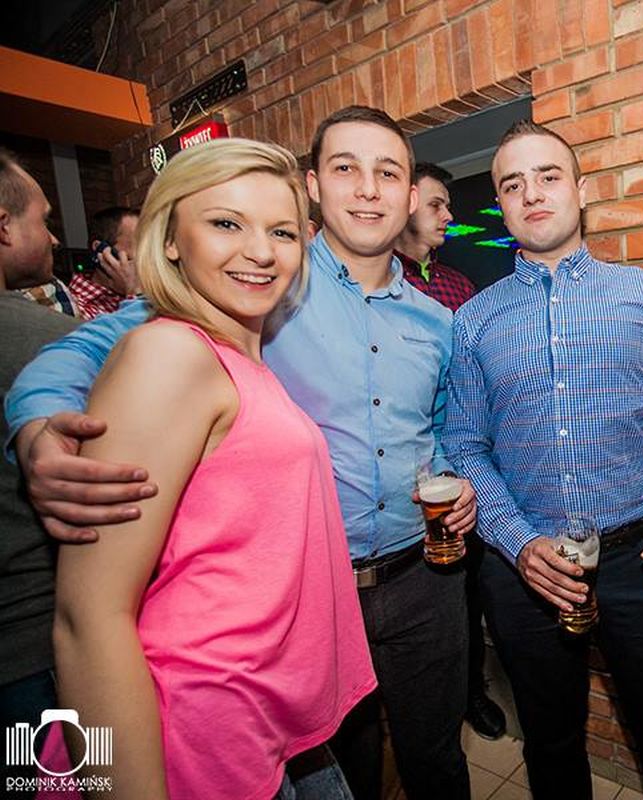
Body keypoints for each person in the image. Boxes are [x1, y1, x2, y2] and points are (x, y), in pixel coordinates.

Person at [5, 106, 477, 800]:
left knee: (434, 756)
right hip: (281, 621)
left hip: (418, 579)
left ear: (410, 196)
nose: (367, 189)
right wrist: (38, 423)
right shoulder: (260, 288)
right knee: (350, 760)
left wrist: (456, 480)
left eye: (387, 173)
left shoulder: (434, 320)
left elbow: (437, 432)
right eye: (345, 168)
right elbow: (87, 350)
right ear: (314, 185)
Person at [49, 137, 375, 798]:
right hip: (196, 730)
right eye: (227, 223)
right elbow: (88, 617)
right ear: (170, 240)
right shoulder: (168, 355)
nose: (261, 251)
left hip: (264, 722)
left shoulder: (235, 356)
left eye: (281, 231)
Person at [444, 120, 643, 800]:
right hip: (524, 564)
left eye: (548, 176)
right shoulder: (474, 320)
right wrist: (517, 542)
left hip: (639, 560)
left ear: (580, 189)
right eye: (513, 184)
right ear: (501, 205)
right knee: (551, 742)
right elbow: (464, 445)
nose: (532, 194)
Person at [395, 160, 506, 741]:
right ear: (409, 204)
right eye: (437, 204)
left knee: (466, 591)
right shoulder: (382, 283)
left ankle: (471, 691)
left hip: (461, 468)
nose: (447, 215)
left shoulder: (459, 287)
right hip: (402, 479)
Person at [0, 148, 79, 789]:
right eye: (42, 220)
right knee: (69, 783)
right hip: (35, 652)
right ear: (3, 226)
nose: (52, 238)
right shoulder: (43, 340)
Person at [395, 162, 477, 312]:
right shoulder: (374, 279)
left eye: (447, 207)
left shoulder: (462, 286)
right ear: (406, 205)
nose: (449, 216)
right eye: (435, 205)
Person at [69, 205, 140, 320]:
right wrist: (135, 291)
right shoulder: (76, 308)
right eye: (140, 244)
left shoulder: (153, 294)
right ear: (101, 250)